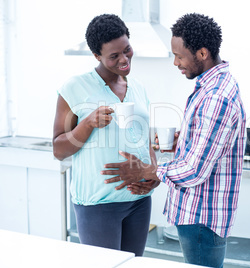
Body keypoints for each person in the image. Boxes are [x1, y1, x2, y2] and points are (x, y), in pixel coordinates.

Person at [102, 13, 247, 268]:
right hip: (199, 215)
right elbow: (209, 145)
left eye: (179, 56)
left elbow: (194, 171)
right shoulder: (214, 86)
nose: (175, 63)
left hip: (201, 217)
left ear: (202, 53)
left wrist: (146, 170)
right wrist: (185, 140)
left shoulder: (216, 97)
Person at [52, 14, 159, 256]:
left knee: (133, 263)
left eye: (127, 50)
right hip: (98, 204)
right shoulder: (74, 88)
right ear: (97, 56)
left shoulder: (138, 88)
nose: (124, 59)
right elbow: (59, 150)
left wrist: (154, 172)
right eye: (114, 56)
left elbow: (144, 140)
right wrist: (87, 124)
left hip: (139, 200)